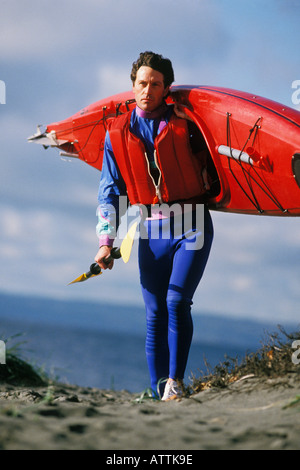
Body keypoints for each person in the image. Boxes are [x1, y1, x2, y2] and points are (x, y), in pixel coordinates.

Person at [94, 51, 214, 401]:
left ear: (166, 89)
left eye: (155, 84)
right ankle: (157, 388)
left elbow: (215, 161)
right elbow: (109, 190)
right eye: (142, 83)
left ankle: (175, 382)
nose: (148, 89)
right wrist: (106, 240)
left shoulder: (187, 124)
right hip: (149, 227)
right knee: (154, 312)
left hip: (192, 222)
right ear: (133, 86)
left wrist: (193, 122)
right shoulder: (116, 134)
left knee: (177, 301)